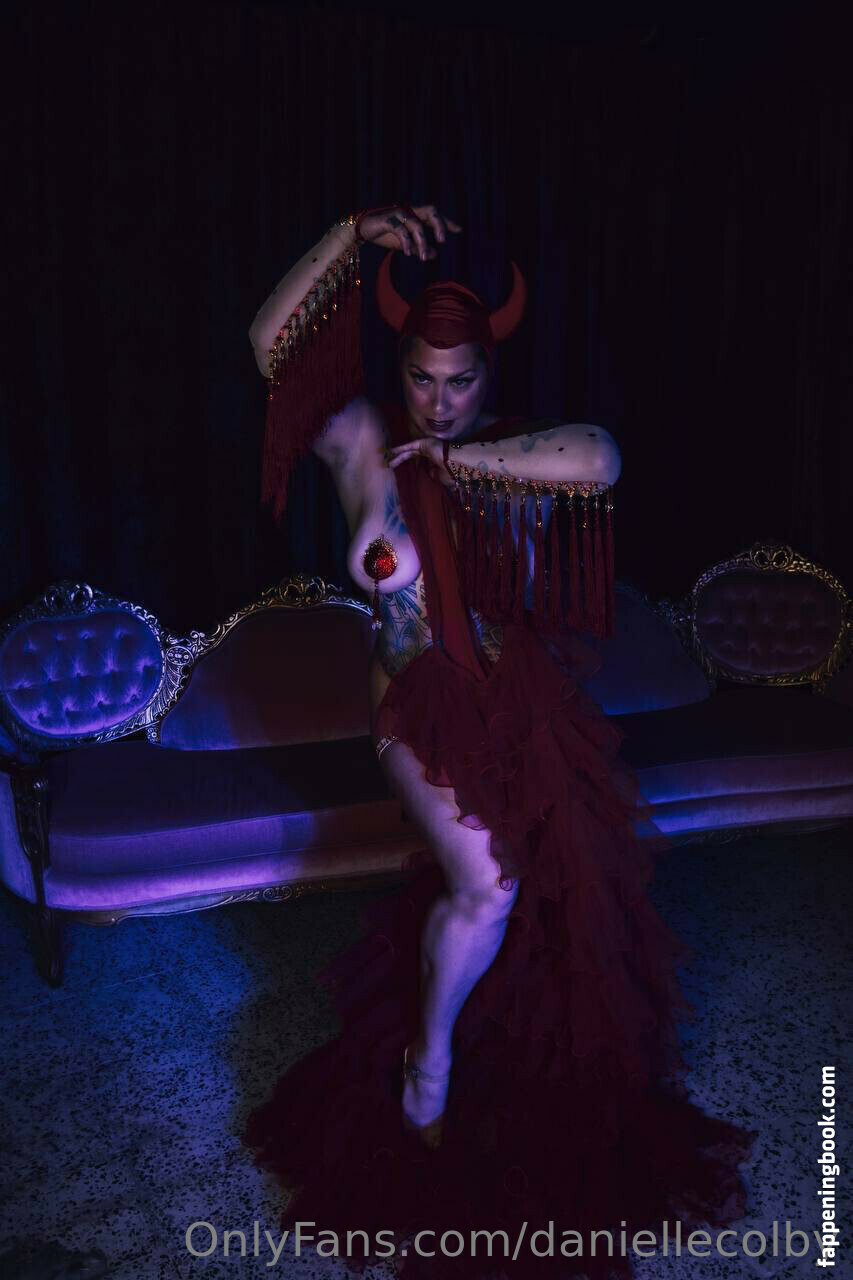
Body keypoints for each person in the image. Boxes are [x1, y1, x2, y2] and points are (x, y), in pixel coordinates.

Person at [243, 204, 757, 1280]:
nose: (438, 399)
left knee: (557, 897)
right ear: (400, 368)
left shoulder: (521, 456)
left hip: (519, 704)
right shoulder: (361, 441)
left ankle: (506, 1051)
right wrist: (350, 236)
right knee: (488, 885)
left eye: (460, 380)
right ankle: (426, 1063)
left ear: (489, 374)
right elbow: (266, 347)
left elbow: (603, 457)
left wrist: (458, 458)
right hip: (411, 698)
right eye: (422, 379)